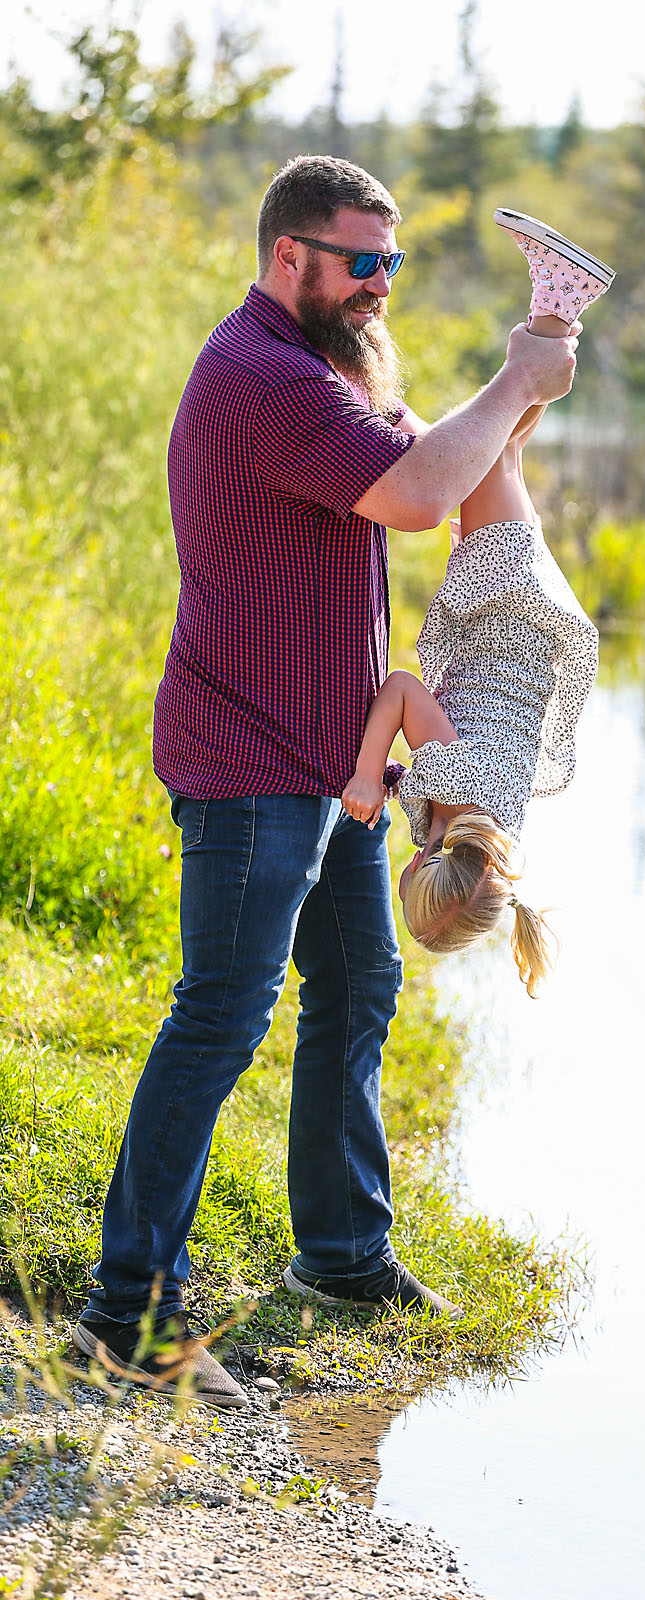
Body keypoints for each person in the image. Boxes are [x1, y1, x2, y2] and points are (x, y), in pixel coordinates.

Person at [73, 159, 579, 1409]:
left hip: (329, 757)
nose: (379, 286)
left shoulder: (324, 377)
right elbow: (414, 495)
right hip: (251, 759)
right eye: (362, 262)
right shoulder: (260, 376)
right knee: (221, 1015)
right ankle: (126, 1312)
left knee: (357, 979)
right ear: (289, 255)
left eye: (392, 265)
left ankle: (343, 1256)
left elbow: (440, 466)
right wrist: (515, 375)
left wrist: (528, 381)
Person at [340, 211, 611, 996]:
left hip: (525, 612)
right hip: (501, 605)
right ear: (424, 865)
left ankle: (561, 307)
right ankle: (557, 303)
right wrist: (365, 774)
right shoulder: (455, 788)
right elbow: (399, 691)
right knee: (485, 433)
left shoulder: (491, 823)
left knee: (505, 449)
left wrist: (399, 780)